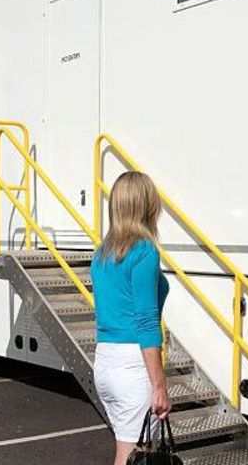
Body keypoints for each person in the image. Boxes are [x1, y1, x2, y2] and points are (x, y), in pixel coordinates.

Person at [92, 171, 171, 465]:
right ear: (147, 205)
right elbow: (146, 322)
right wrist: (159, 385)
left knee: (128, 453)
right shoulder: (144, 252)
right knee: (132, 456)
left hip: (105, 361)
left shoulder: (102, 254)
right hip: (132, 366)